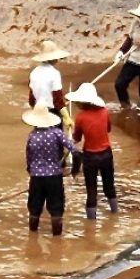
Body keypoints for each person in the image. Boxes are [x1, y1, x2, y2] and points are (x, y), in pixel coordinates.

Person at [22, 103, 81, 236]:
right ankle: (57, 239)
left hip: (36, 178)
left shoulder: (32, 136)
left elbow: (29, 158)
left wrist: (31, 171)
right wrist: (74, 171)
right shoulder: (57, 133)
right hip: (54, 177)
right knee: (56, 208)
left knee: (34, 208)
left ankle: (32, 236)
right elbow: (76, 152)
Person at [66, 83, 118, 219]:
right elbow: (108, 129)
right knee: (109, 187)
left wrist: (70, 139)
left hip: (90, 157)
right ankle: (115, 213)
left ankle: (91, 224)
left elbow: (77, 137)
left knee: (91, 191)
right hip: (106, 154)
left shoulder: (81, 117)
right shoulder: (105, 111)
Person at [29, 40, 74, 131]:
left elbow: (31, 100)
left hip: (39, 112)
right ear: (52, 59)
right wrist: (66, 117)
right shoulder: (54, 73)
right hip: (53, 113)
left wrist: (38, 110)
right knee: (56, 139)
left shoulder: (33, 73)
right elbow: (57, 100)